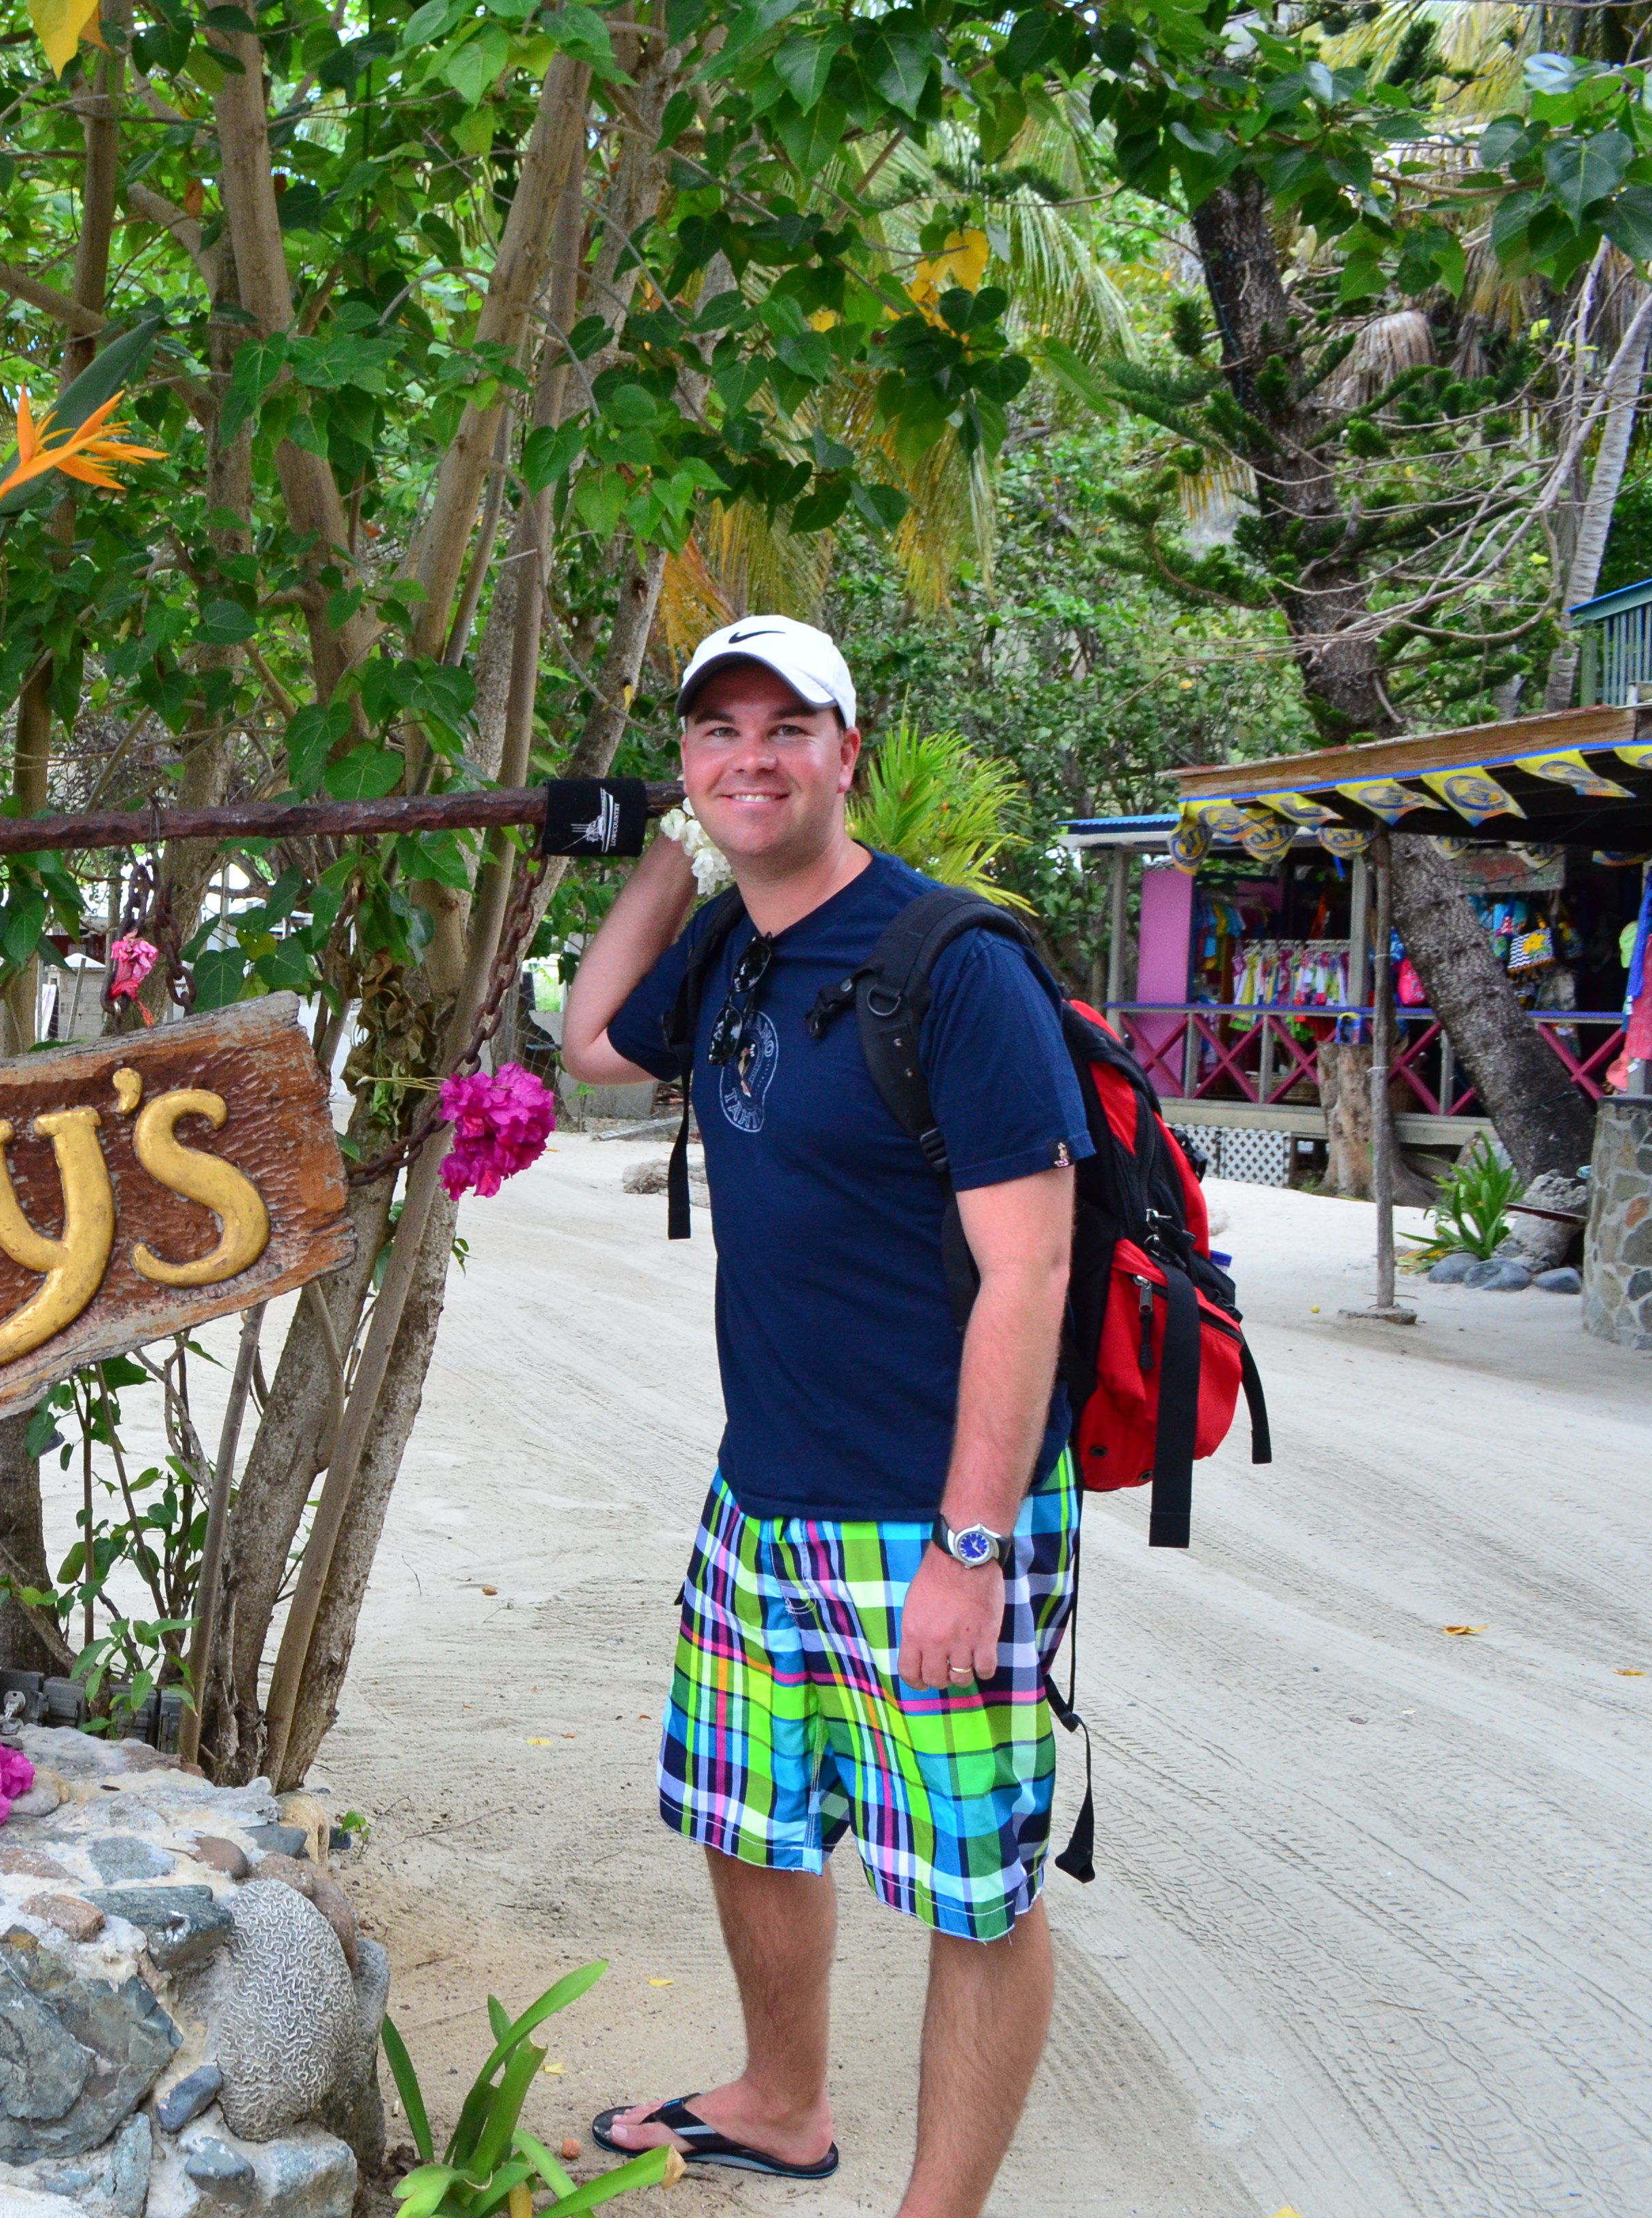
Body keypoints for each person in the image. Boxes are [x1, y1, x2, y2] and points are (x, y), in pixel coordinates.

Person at [557, 616, 1087, 2217]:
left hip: (935, 1511)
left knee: (973, 1889)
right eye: (716, 733)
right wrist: (670, 850)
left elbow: (1030, 1267)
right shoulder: (731, 945)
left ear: (846, 752)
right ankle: (780, 2103)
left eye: (786, 728)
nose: (751, 758)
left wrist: (970, 1550)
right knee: (751, 1818)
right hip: (762, 1495)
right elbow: (590, 1044)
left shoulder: (954, 965)